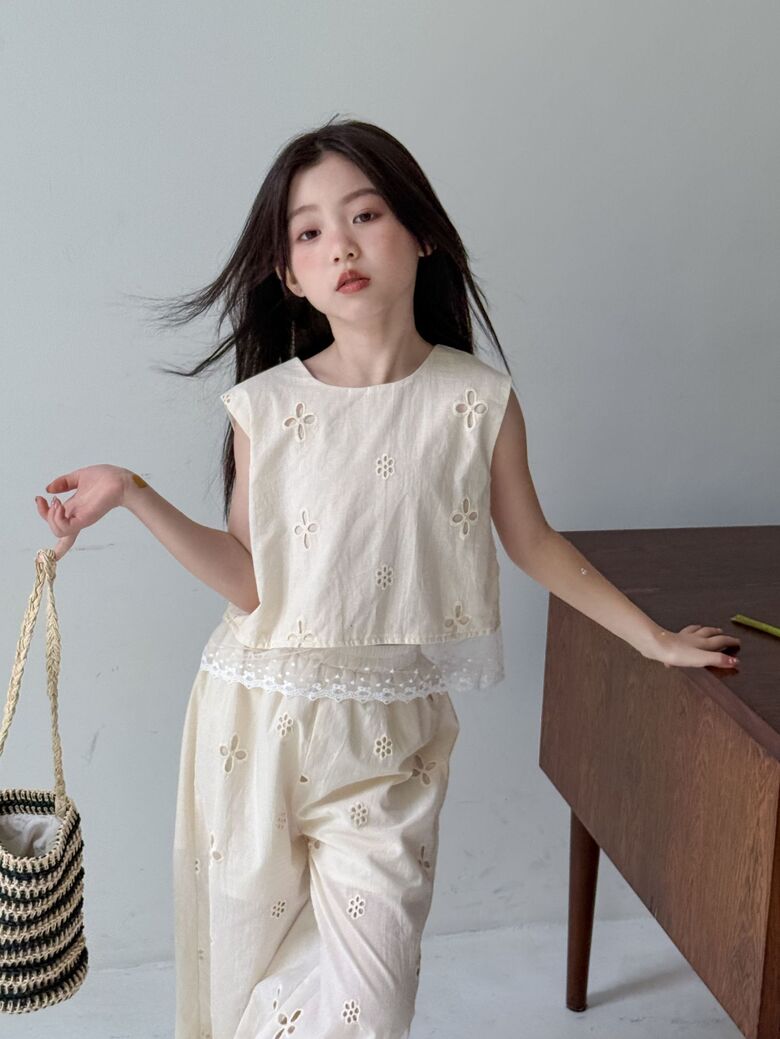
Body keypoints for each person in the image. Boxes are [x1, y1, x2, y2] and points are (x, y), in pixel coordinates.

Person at [35, 117, 741, 1039]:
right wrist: (132, 493)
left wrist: (655, 640)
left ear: (422, 234)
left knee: (368, 1004)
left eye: (365, 215)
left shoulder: (477, 402)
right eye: (311, 232)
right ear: (289, 274)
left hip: (388, 740)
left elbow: (532, 542)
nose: (342, 246)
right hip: (252, 724)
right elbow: (250, 582)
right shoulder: (265, 408)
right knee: (240, 976)